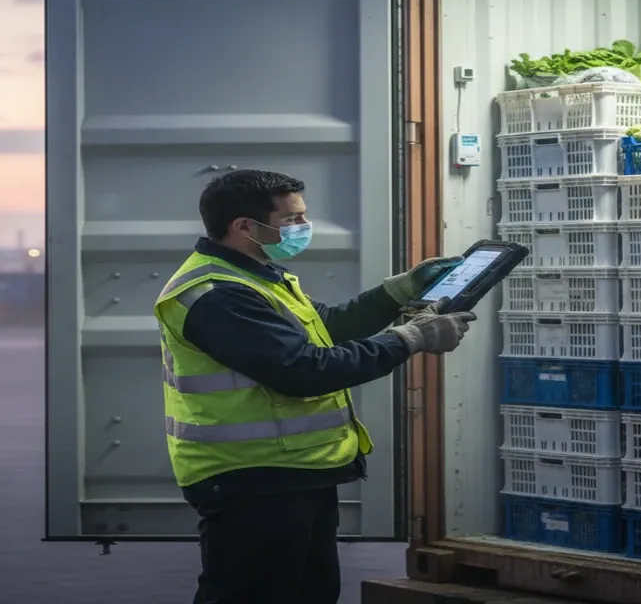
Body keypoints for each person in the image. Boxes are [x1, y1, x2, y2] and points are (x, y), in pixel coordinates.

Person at [153, 168, 476, 604]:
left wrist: (400, 291)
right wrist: (413, 337)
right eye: (290, 220)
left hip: (292, 473)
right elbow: (304, 370)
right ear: (244, 226)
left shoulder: (258, 276)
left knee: (310, 592)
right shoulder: (216, 293)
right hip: (252, 479)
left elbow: (326, 327)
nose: (303, 228)